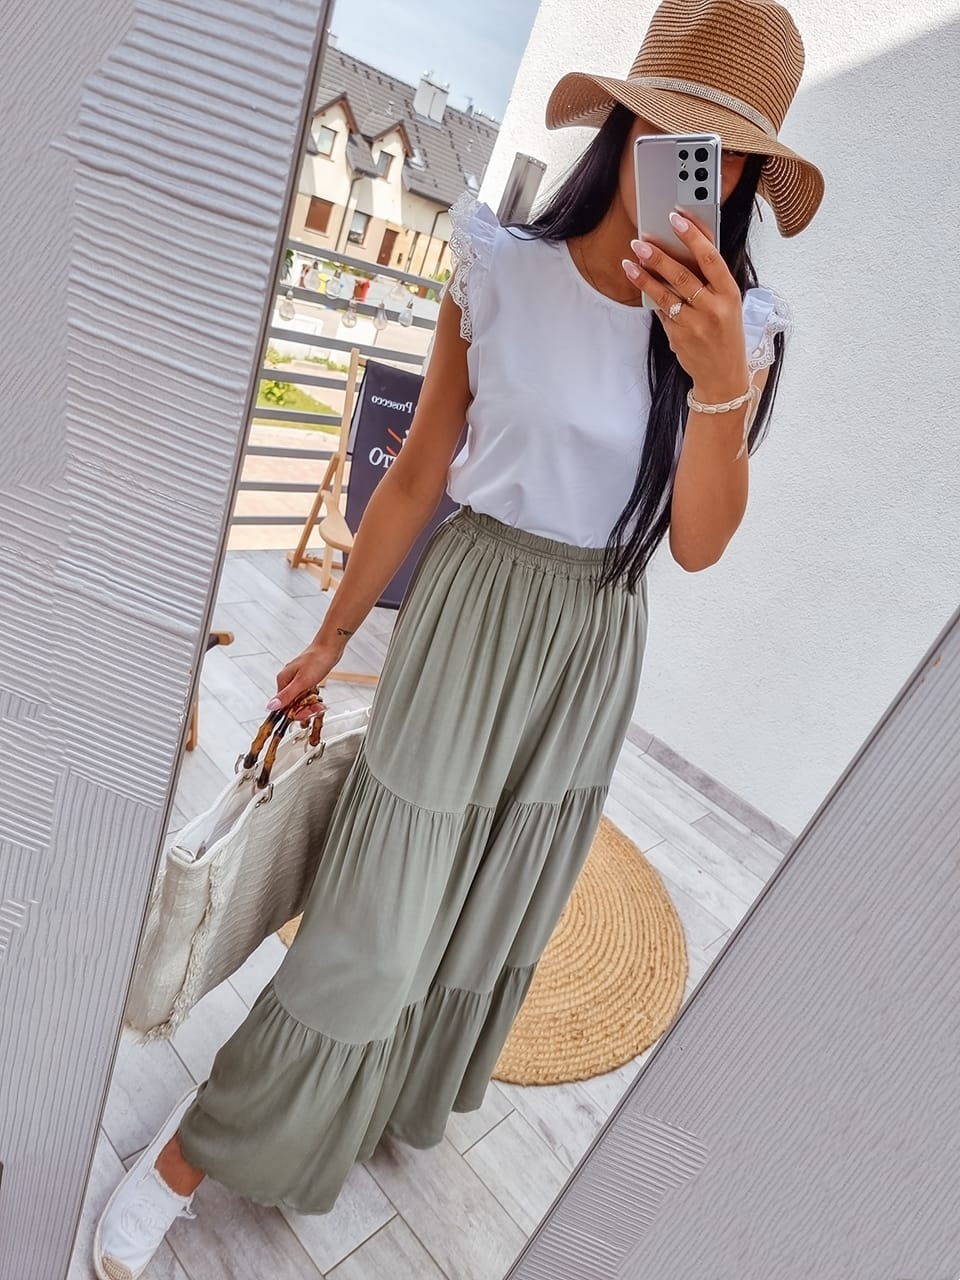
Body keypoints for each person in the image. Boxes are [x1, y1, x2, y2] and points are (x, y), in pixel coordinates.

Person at [94, 0, 823, 1273]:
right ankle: (190, 1152)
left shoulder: (736, 332)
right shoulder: (501, 267)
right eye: (678, 131)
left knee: (490, 908)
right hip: (474, 605)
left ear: (750, 175)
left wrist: (716, 383)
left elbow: (698, 542)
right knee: (375, 919)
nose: (697, 167)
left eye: (728, 153)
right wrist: (331, 631)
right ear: (628, 123)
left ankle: (364, 1106)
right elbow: (422, 467)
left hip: (594, 636)